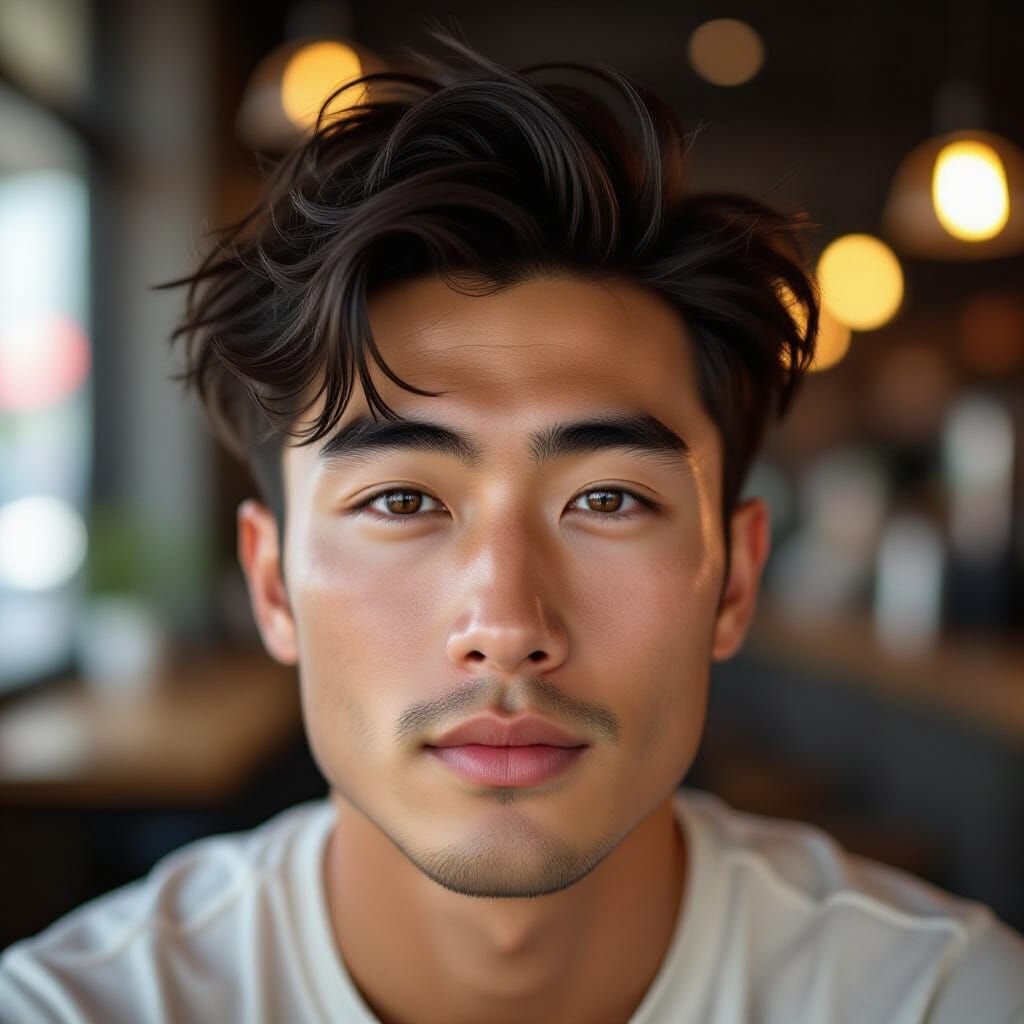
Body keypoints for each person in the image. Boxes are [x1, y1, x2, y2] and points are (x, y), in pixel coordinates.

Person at [3, 26, 1023, 1024]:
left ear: (735, 579)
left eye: (608, 499)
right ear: (273, 587)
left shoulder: (941, 997)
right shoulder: (82, 1003)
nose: (505, 621)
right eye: (401, 501)